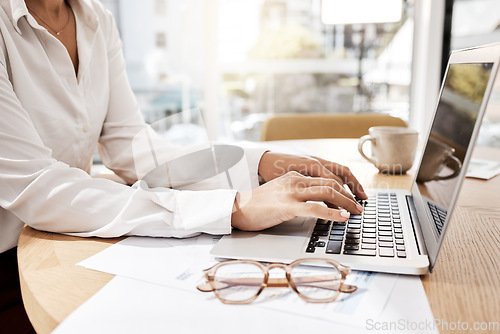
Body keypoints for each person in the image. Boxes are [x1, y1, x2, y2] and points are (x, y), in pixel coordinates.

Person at [0, 0, 367, 332]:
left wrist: (257, 164)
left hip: (63, 241)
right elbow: (38, 187)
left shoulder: (97, 19)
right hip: (10, 271)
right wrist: (234, 207)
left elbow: (131, 145)